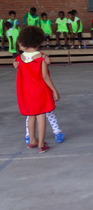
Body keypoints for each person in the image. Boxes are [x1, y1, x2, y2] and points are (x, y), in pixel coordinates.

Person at [15, 26, 60, 154]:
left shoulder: (20, 58)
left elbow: (16, 62)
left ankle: (32, 141)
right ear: (38, 41)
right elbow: (45, 77)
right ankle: (41, 144)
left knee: (31, 116)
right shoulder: (41, 58)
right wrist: (55, 90)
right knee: (41, 116)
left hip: (26, 92)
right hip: (39, 90)